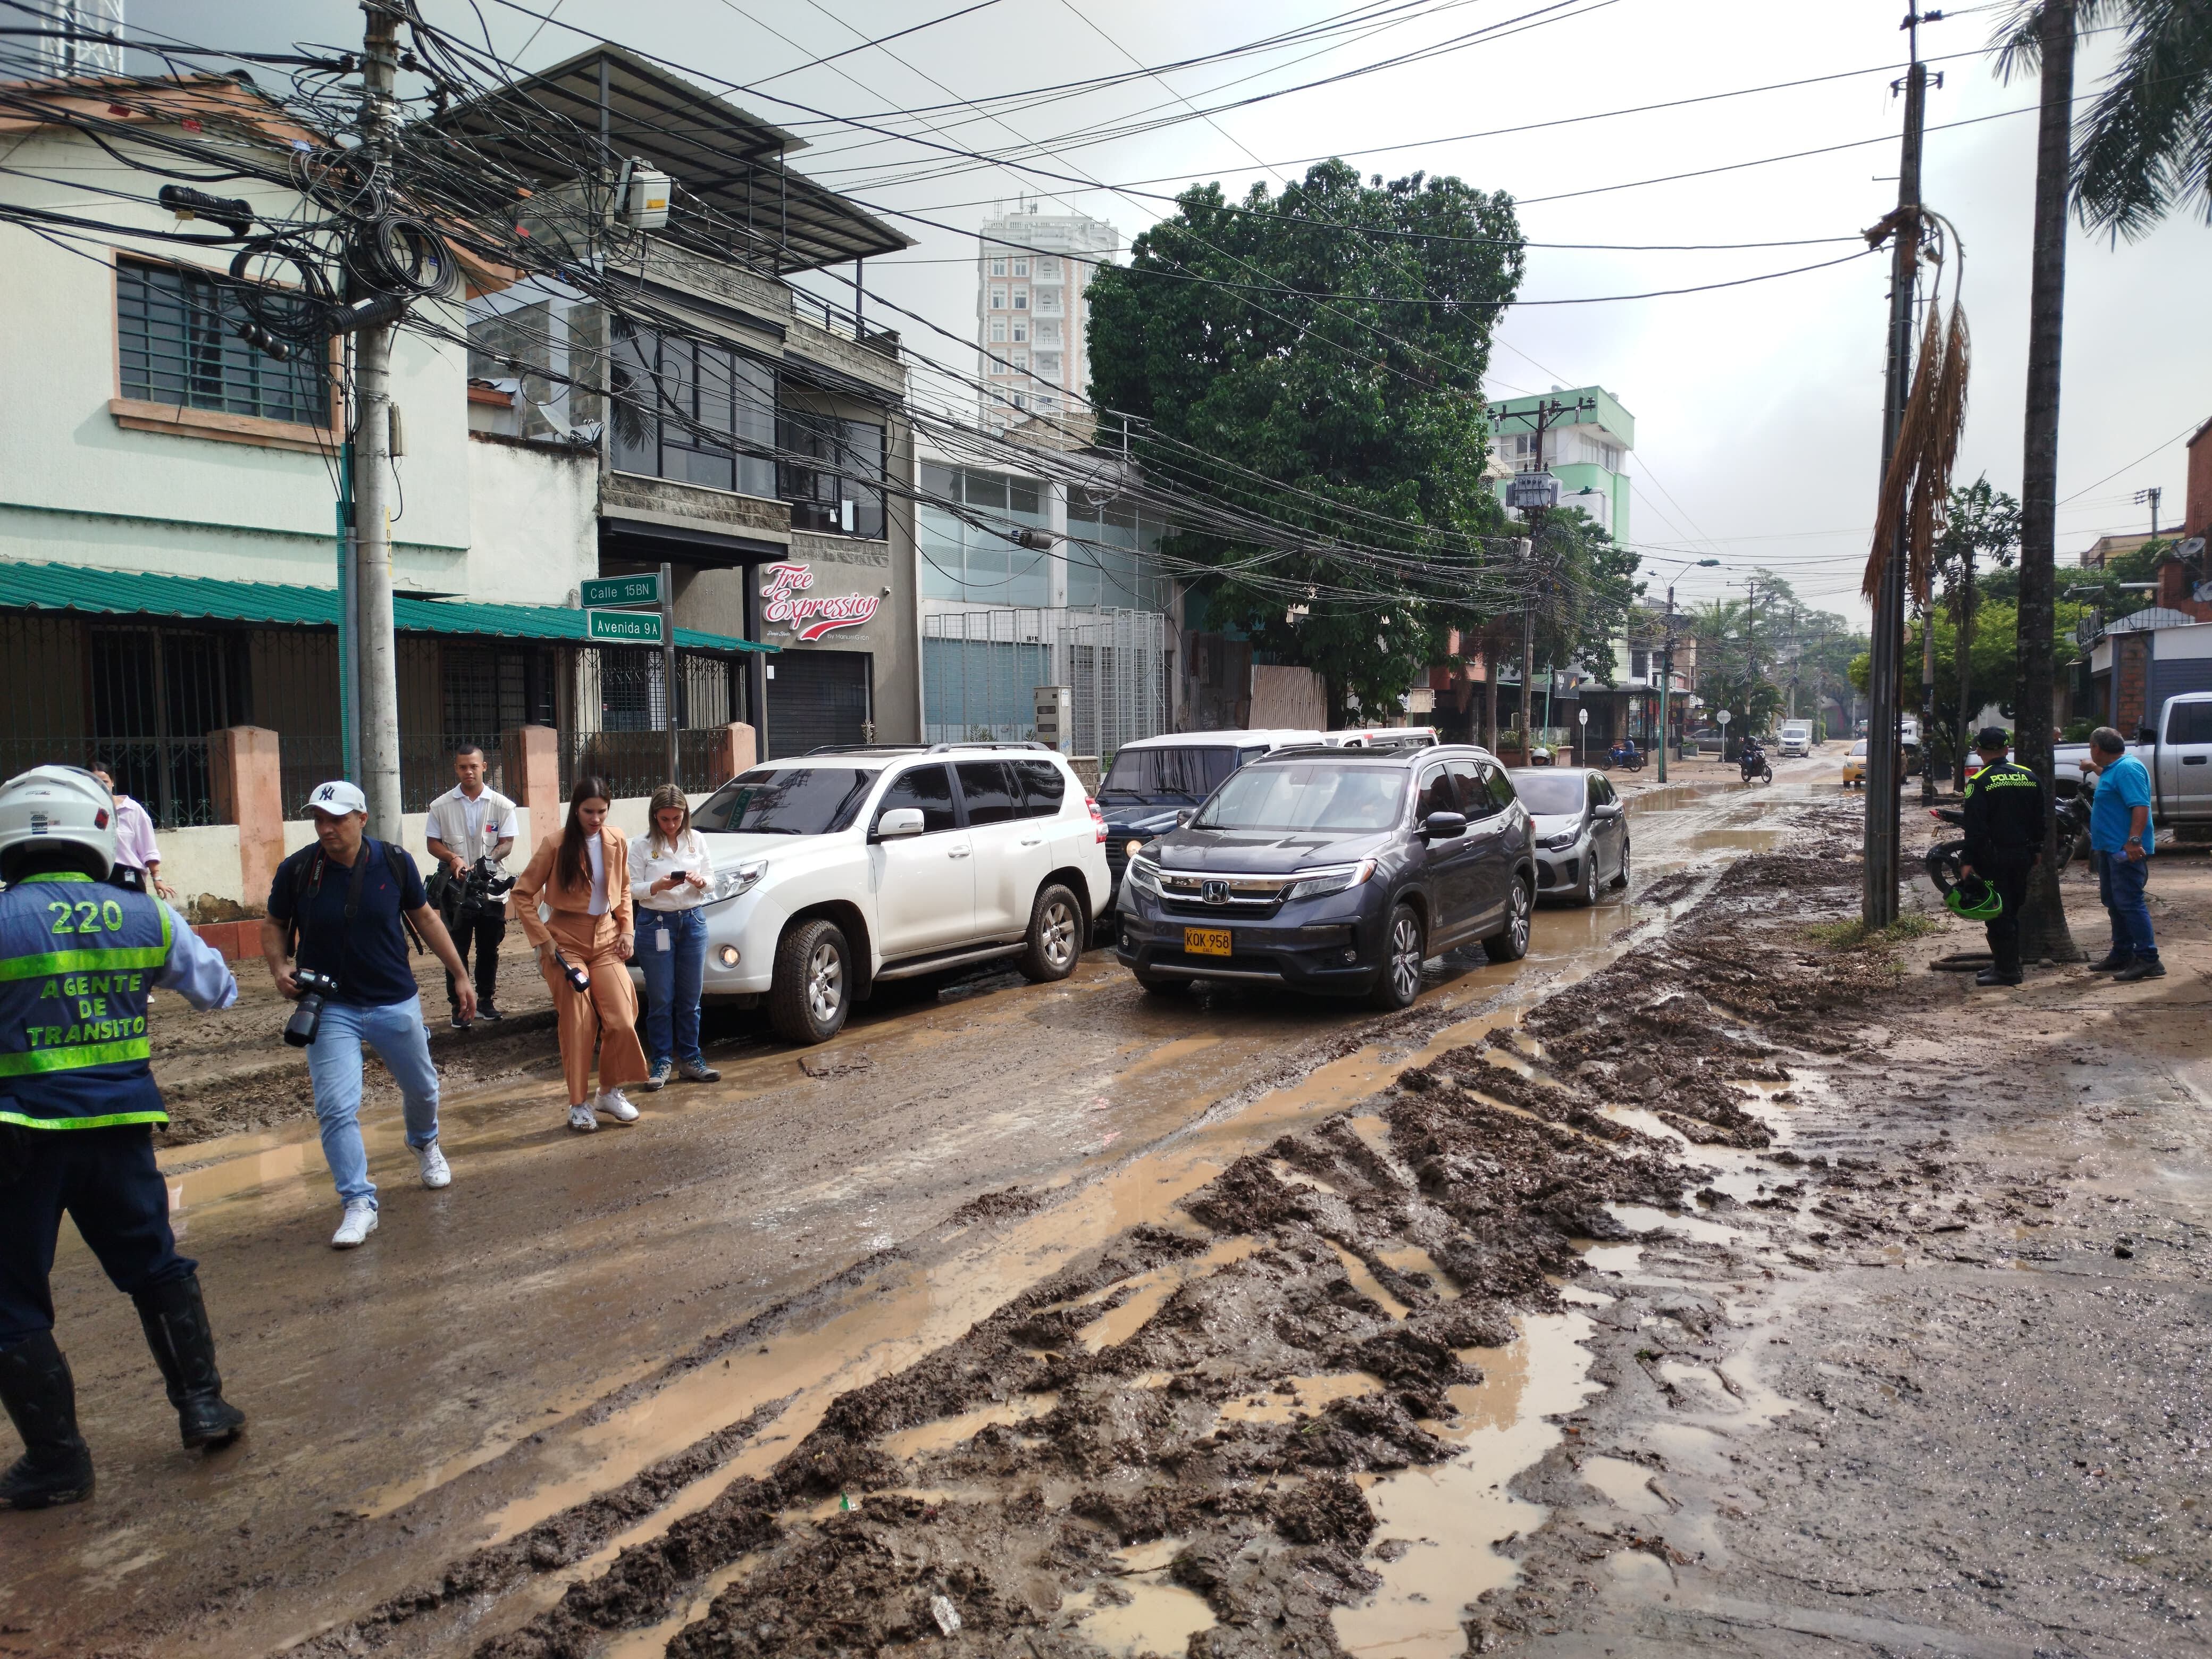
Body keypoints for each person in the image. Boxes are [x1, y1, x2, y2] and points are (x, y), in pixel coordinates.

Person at [0, 766, 246, 1510]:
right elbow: (217, 990)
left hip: (21, 1141)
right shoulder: (145, 915)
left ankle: (59, 1463)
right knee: (155, 1266)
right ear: (96, 830)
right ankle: (202, 1407)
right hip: (122, 1131)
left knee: (12, 1302)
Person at [261, 781, 477, 1249]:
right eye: (319, 818)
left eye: (336, 819)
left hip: (393, 1000)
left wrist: (460, 974)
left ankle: (423, 1142)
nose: (326, 828)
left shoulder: (394, 862)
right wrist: (279, 966)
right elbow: (276, 923)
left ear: (361, 819)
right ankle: (358, 1203)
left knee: (423, 1089)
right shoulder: (298, 870)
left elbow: (427, 919)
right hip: (330, 1006)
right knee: (336, 1107)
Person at [511, 776, 647, 1132]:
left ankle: (608, 1091)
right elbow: (522, 894)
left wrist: (627, 929)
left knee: (622, 1017)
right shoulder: (555, 844)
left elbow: (625, 886)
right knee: (578, 1020)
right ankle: (577, 1104)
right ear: (576, 809)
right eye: (589, 811)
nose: (596, 818)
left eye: (603, 811)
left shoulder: (616, 840)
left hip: (606, 938)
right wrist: (543, 940)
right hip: (564, 942)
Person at [632, 784, 723, 1092]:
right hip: (656, 922)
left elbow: (712, 881)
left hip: (693, 920)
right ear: (654, 817)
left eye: (676, 818)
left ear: (685, 815)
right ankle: (661, 1061)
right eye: (664, 819)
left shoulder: (696, 840)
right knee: (661, 997)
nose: (671, 825)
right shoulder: (642, 845)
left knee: (691, 997)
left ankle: (690, 1059)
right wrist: (657, 886)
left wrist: (700, 881)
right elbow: (630, 888)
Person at [423, 745, 516, 1030]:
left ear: (484, 767)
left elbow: (508, 842)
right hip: (455, 891)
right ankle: (459, 1006)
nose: (469, 771)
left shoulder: (502, 805)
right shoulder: (441, 806)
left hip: (491, 889)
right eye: (463, 767)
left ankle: (486, 1001)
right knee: (456, 948)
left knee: (489, 947)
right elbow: (432, 843)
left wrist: (486, 861)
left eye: (474, 766)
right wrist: (453, 859)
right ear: (457, 768)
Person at [1956, 727, 2043, 988]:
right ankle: (2005, 964)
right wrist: (2037, 849)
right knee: (2013, 909)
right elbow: (2040, 819)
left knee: (1997, 913)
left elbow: (1975, 827)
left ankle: (2008, 972)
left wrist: (1967, 860)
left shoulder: (1979, 781)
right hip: (2024, 855)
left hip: (1994, 858)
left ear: (1979, 751)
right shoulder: (2030, 777)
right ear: (2007, 749)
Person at [2085, 726, 2161, 982]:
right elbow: (2110, 779)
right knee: (2114, 901)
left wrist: (2133, 841)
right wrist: (2092, 768)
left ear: (2097, 747)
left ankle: (2149, 959)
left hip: (2125, 850)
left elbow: (2140, 806)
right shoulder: (2113, 769)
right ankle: (2122, 953)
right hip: (2109, 848)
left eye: (2090, 746)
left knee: (2129, 902)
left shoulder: (2128, 769)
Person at [87, 765, 175, 900]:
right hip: (99, 878)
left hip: (129, 877)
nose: (100, 786)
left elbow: (148, 847)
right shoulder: (85, 810)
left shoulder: (132, 809)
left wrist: (157, 879)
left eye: (105, 782)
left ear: (113, 782)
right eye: (94, 781)